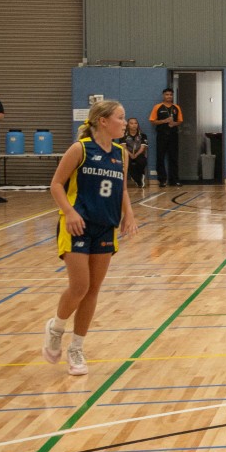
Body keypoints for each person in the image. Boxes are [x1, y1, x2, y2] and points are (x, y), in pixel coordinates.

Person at [42, 99, 135, 377]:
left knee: (93, 289)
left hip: (106, 226)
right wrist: (69, 212)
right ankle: (56, 327)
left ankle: (76, 348)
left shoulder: (121, 154)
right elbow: (56, 184)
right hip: (77, 225)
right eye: (120, 117)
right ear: (103, 121)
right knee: (80, 287)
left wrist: (129, 214)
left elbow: (122, 189)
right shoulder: (80, 149)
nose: (125, 122)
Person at [150, 88, 184, 187]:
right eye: (167, 94)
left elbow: (180, 121)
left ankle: (174, 180)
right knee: (160, 157)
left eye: (170, 95)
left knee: (173, 158)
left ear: (172, 96)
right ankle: (162, 180)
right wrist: (164, 121)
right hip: (162, 135)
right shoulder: (157, 107)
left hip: (173, 135)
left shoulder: (176, 107)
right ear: (163, 96)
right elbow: (152, 121)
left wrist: (174, 123)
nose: (169, 96)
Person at [123, 116, 149, 188]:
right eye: (131, 123)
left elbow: (143, 147)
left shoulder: (143, 135)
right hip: (127, 154)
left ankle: (140, 176)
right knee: (127, 163)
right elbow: (123, 147)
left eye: (135, 123)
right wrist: (131, 154)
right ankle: (138, 180)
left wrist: (136, 154)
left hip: (139, 154)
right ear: (128, 125)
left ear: (137, 125)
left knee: (142, 161)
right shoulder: (123, 135)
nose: (134, 125)